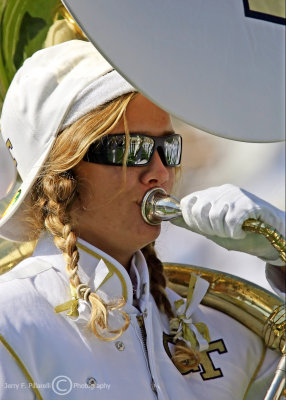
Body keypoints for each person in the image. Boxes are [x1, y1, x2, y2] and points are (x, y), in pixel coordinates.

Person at [0, 39, 285, 400]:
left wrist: (282, 255)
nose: (160, 172)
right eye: (130, 149)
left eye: (168, 148)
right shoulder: (11, 322)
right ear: (62, 175)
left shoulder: (215, 322)